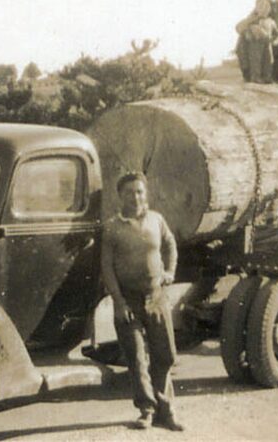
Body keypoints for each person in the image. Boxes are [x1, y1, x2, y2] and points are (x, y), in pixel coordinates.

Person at [100, 172, 184, 432]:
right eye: (129, 192)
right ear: (120, 196)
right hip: (129, 302)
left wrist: (170, 271)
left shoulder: (156, 220)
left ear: (145, 194)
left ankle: (164, 409)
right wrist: (119, 302)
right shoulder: (113, 227)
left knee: (166, 355)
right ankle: (148, 410)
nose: (135, 197)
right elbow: (107, 267)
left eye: (139, 191)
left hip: (157, 297)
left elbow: (170, 244)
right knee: (136, 359)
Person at [235, 0, 278, 84]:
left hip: (267, 44)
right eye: (261, 6)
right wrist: (250, 23)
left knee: (268, 60)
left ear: (270, 9)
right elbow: (238, 27)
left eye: (267, 6)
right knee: (255, 60)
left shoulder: (271, 21)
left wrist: (276, 40)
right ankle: (255, 77)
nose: (264, 9)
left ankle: (267, 77)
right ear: (256, 8)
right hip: (254, 44)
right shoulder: (251, 20)